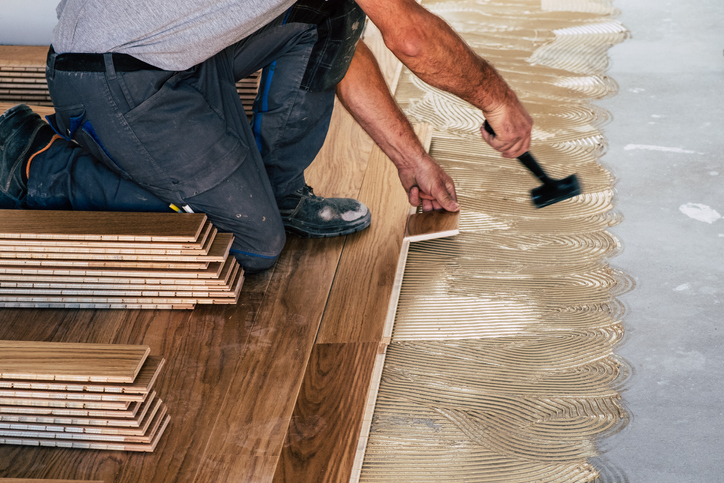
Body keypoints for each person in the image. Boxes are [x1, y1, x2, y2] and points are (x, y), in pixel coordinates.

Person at [0, 0, 533, 272]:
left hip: (172, 55)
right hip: (109, 77)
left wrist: (410, 159)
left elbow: (343, 50)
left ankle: (276, 193)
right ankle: (34, 159)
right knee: (250, 243)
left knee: (328, 15)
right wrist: (497, 100)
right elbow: (412, 39)